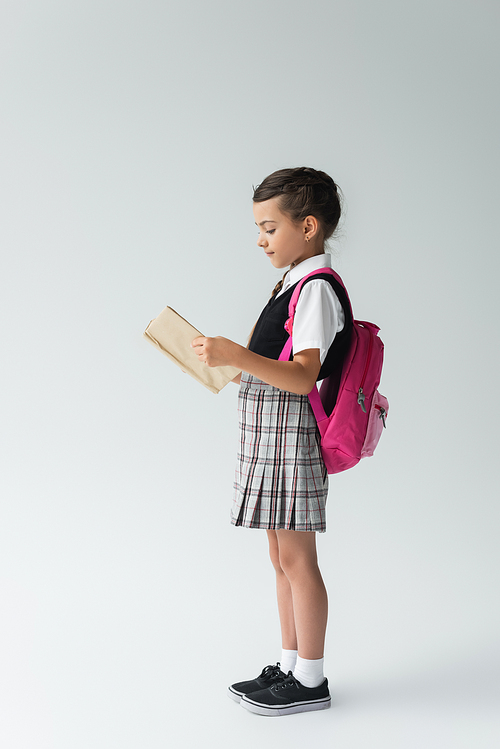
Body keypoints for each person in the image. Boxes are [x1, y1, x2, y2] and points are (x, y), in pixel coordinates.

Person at [191, 167, 353, 716]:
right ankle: (289, 665)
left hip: (291, 436)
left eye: (269, 227)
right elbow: (279, 368)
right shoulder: (293, 282)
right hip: (268, 432)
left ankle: (311, 679)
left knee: (298, 559)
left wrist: (237, 356)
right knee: (279, 556)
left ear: (307, 226)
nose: (261, 240)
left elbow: (305, 375)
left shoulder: (316, 290)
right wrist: (233, 367)